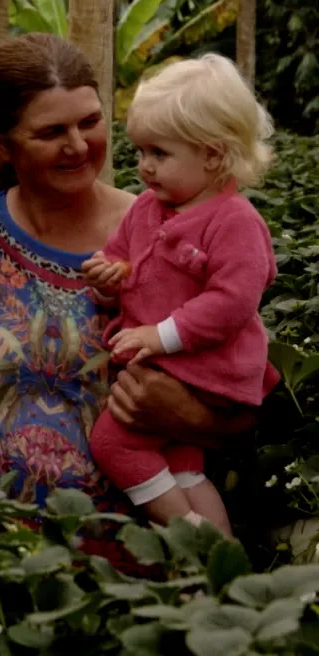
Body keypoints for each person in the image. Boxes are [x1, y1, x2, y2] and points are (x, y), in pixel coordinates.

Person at [0, 35, 263, 558]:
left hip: (143, 564)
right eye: (51, 131)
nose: (79, 146)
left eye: (90, 122)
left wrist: (191, 416)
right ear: (0, 141)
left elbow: (244, 381)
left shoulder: (172, 230)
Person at [82, 54, 277, 536]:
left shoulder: (235, 221)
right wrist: (110, 275)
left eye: (159, 154)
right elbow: (122, 257)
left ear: (212, 155)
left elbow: (233, 303)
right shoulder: (149, 207)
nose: (144, 168)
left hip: (207, 368)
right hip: (169, 364)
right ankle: (222, 557)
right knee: (184, 465)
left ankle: (194, 538)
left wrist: (159, 335)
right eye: (140, 153)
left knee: (113, 443)